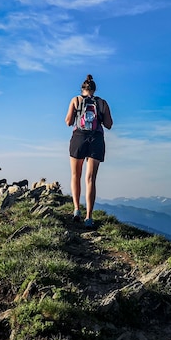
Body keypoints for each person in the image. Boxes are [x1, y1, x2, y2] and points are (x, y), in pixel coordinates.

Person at [65, 74, 113, 228]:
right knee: (91, 179)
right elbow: (109, 124)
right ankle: (89, 217)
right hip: (96, 139)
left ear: (82, 89)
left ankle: (77, 210)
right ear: (94, 89)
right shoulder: (102, 103)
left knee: (75, 175)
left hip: (79, 137)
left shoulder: (75, 100)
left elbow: (68, 122)